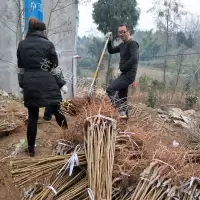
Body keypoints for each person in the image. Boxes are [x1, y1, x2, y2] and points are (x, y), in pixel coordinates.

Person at [17, 17, 68, 157]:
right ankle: (68, 135)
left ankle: (31, 149)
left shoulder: (22, 45)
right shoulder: (48, 44)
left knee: (32, 116)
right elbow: (54, 67)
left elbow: (21, 68)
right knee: (57, 111)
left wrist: (22, 85)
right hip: (49, 85)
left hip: (30, 85)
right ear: (42, 31)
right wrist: (62, 84)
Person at [106, 24, 139, 119]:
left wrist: (122, 69)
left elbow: (134, 59)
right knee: (122, 98)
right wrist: (109, 40)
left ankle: (121, 110)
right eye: (119, 32)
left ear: (128, 32)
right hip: (123, 74)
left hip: (129, 74)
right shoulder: (122, 45)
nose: (121, 34)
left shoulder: (133, 44)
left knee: (110, 89)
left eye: (123, 32)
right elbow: (111, 51)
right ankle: (125, 121)